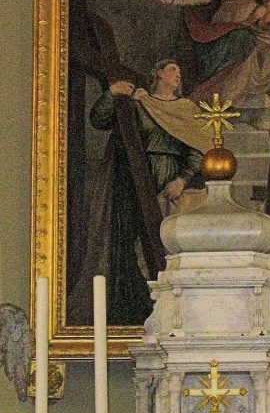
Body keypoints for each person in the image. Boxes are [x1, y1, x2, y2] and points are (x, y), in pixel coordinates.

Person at [67, 59, 210, 325]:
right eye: (172, 69)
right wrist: (112, 93)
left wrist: (182, 179)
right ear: (158, 73)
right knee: (132, 242)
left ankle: (177, 311)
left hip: (171, 182)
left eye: (180, 71)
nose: (177, 75)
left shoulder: (186, 110)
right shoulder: (137, 104)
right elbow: (99, 119)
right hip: (135, 178)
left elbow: (197, 151)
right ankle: (137, 307)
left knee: (169, 243)